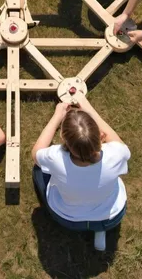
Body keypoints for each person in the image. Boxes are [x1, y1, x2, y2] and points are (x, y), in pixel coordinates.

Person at [32, 102, 130, 251]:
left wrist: (57, 116)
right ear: (101, 135)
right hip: (111, 217)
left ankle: (95, 226)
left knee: (38, 169)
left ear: (63, 138)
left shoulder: (56, 157)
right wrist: (89, 108)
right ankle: (100, 229)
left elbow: (36, 153)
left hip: (69, 219)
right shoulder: (116, 154)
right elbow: (118, 142)